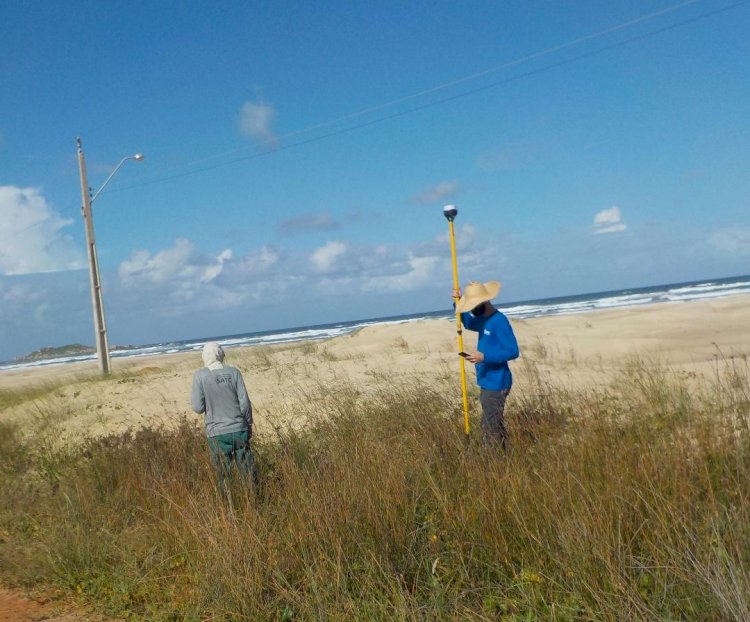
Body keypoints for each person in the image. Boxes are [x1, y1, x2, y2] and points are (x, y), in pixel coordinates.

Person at [452, 281, 519, 448]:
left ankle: (491, 463)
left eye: (474, 305)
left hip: (497, 383)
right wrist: (458, 301)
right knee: (495, 423)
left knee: (489, 427)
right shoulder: (483, 319)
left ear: (485, 301)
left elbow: (512, 351)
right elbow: (468, 323)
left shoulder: (499, 321)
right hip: (486, 381)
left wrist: (484, 356)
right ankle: (506, 456)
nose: (472, 309)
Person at [191, 342, 253, 494]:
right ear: (220, 354)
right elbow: (245, 403)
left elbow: (197, 408)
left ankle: (229, 504)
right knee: (248, 471)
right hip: (239, 428)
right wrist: (249, 423)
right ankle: (253, 499)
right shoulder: (234, 373)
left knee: (223, 475)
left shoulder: (200, 376)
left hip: (216, 433)